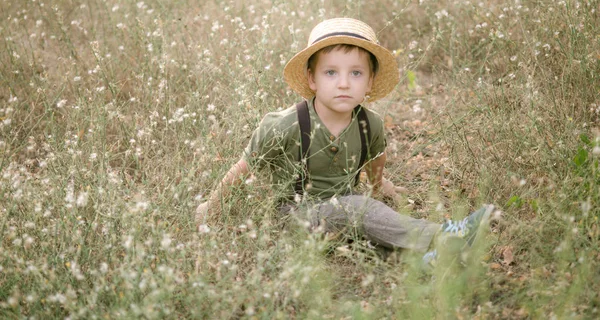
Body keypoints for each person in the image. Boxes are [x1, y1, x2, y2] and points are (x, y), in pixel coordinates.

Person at [195, 17, 494, 264]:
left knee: (369, 234)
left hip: (344, 213)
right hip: (296, 216)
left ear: (370, 81)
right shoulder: (286, 124)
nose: (343, 83)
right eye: (330, 72)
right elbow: (244, 166)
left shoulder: (369, 123)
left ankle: (432, 260)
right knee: (360, 209)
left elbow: (376, 157)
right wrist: (210, 207)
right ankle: (444, 234)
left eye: (355, 73)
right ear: (312, 79)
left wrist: (380, 185)